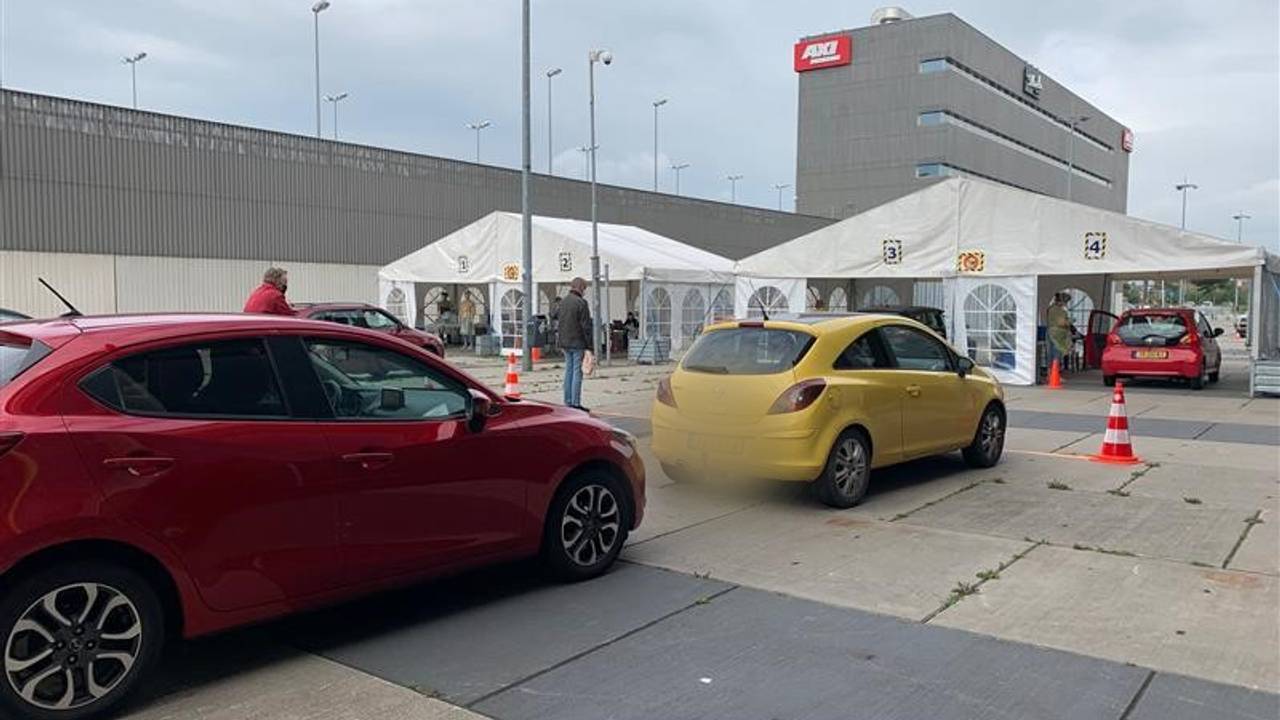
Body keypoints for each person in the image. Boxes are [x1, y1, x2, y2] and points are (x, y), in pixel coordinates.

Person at [556, 278, 592, 410]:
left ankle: (567, 401)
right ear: (580, 287)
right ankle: (576, 403)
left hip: (564, 342)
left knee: (569, 371)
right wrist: (589, 346)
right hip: (577, 342)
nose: (584, 291)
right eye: (584, 289)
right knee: (577, 372)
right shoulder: (581, 303)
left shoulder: (563, 302)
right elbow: (586, 327)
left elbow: (556, 317)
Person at [1046, 292, 1072, 372]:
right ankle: (1055, 373)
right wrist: (1070, 321)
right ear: (1062, 301)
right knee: (1056, 354)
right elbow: (1061, 323)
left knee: (1050, 354)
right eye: (1066, 302)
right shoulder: (1061, 311)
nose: (1066, 304)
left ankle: (1049, 373)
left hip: (1049, 332)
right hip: (1058, 335)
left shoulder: (1050, 309)